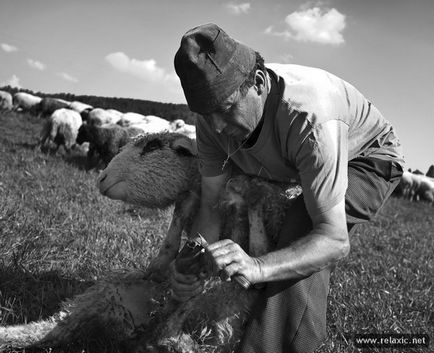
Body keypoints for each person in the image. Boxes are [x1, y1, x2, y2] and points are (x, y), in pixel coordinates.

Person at [171, 23, 404, 353]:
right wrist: (193, 266)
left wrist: (258, 267)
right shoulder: (213, 118)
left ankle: (277, 344)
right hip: (289, 153)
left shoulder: (312, 119)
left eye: (225, 110)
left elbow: (334, 239)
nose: (219, 127)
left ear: (260, 83)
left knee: (303, 223)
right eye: (208, 116)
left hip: (366, 155)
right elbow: (210, 203)